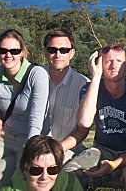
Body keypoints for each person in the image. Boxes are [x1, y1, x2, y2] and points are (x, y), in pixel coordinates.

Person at [63, 44, 126, 190]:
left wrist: (115, 164)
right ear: (99, 64)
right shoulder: (90, 88)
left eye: (119, 61)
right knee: (67, 175)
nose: (114, 65)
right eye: (108, 61)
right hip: (102, 149)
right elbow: (84, 122)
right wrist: (95, 78)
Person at [0, 29, 50, 189]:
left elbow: (36, 120)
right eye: (3, 50)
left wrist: (30, 155)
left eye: (14, 51)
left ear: (23, 52)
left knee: (9, 175)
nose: (8, 55)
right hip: (5, 137)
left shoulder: (37, 75)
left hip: (29, 140)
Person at [43, 28, 89, 161]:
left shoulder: (83, 85)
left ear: (72, 53)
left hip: (68, 150)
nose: (58, 54)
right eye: (52, 50)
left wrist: (58, 148)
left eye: (64, 50)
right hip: (34, 146)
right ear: (45, 52)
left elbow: (82, 130)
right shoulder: (33, 78)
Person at [0, 135, 82, 191]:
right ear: (24, 169)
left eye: (52, 169)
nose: (44, 177)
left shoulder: (71, 186)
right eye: (36, 170)